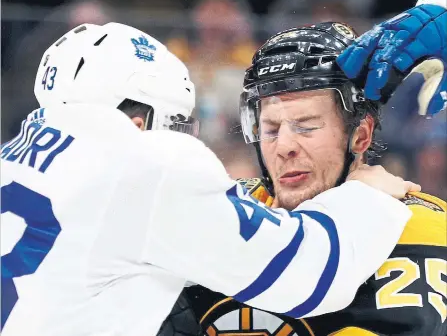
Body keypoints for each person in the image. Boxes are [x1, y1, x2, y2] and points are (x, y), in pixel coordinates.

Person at [0, 23, 416, 336]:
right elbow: (305, 274)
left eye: (306, 124)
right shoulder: (142, 161)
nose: (284, 146)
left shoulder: (13, 160)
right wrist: (368, 195)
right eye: (176, 124)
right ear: (143, 119)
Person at [176, 21, 446, 336]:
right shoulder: (221, 208)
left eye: (306, 126)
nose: (284, 147)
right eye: (271, 129)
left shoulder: (424, 229)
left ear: (360, 136)